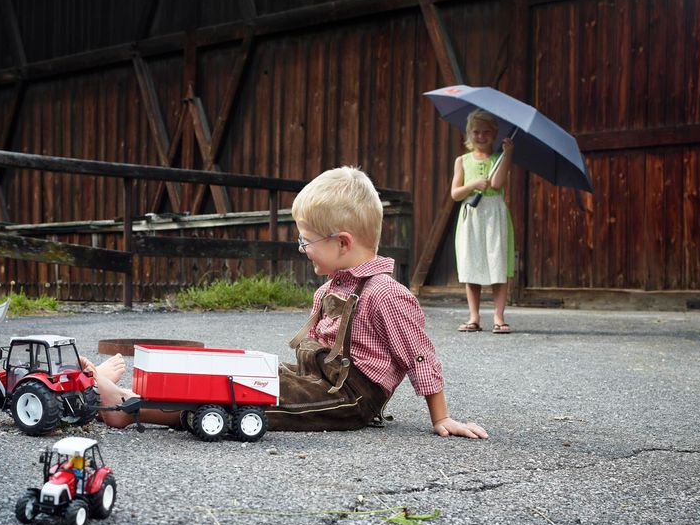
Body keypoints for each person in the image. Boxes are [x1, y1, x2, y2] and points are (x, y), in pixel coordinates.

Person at [95, 166, 487, 439]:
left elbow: (419, 355)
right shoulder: (328, 289)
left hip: (346, 400)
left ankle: (127, 410)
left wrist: (442, 417)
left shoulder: (387, 294)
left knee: (247, 403)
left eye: (307, 240)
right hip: (316, 380)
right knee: (242, 373)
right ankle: (138, 391)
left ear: (343, 242)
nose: (302, 249)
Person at [450, 109, 515, 334]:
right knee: (472, 263)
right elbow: (455, 193)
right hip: (472, 214)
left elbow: (497, 184)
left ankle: (498, 316)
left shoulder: (498, 159)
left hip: (494, 213)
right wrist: (473, 185)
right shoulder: (462, 161)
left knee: (497, 262)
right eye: (476, 132)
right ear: (469, 133)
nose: (481, 136)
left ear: (494, 134)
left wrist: (507, 155)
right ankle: (474, 316)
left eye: (486, 132)